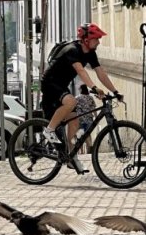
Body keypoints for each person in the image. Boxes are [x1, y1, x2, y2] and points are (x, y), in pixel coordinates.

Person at [40, 23, 122, 173]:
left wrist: (115, 91)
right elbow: (81, 71)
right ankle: (49, 130)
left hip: (61, 85)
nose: (98, 42)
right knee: (71, 101)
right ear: (86, 40)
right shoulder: (73, 50)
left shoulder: (90, 53)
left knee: (75, 120)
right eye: (96, 39)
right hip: (50, 83)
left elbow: (100, 72)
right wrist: (94, 88)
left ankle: (71, 157)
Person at [74, 85, 96, 154]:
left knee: (80, 135)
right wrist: (96, 116)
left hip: (80, 119)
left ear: (81, 89)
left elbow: (73, 108)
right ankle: (89, 149)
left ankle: (81, 152)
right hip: (89, 119)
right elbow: (93, 108)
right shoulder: (90, 98)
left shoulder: (77, 98)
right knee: (87, 134)